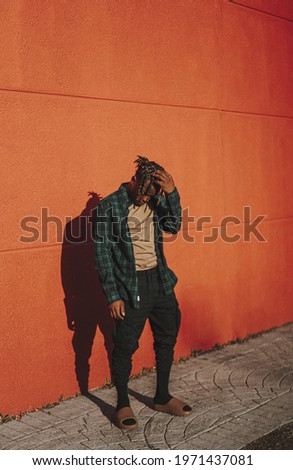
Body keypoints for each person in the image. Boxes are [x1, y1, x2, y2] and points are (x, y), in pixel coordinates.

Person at [94, 156, 193, 429]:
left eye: (153, 195)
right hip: (130, 285)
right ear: (135, 180)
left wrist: (172, 193)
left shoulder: (155, 199)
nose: (146, 200)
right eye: (144, 194)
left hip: (160, 281)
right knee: (125, 345)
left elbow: (172, 226)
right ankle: (122, 403)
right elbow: (102, 253)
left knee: (167, 337)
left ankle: (162, 396)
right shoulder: (110, 206)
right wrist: (112, 295)